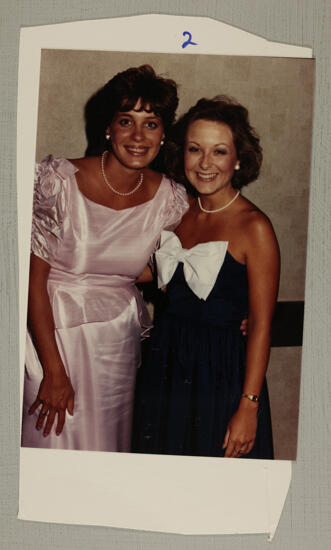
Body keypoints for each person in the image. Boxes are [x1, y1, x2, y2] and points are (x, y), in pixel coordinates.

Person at [21, 65, 189, 452]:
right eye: (126, 120)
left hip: (116, 344)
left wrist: (238, 309)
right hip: (50, 339)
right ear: (108, 128)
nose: (137, 136)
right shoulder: (58, 181)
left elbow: (190, 256)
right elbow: (32, 281)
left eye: (151, 124)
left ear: (164, 135)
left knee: (105, 449)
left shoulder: (172, 200)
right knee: (50, 448)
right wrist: (54, 371)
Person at [132, 96, 280, 459]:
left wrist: (248, 406)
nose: (205, 163)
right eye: (195, 149)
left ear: (238, 158)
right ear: (182, 154)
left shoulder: (255, 227)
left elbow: (261, 325)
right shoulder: (177, 210)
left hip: (221, 373)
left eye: (219, 151)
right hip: (166, 364)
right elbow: (141, 269)